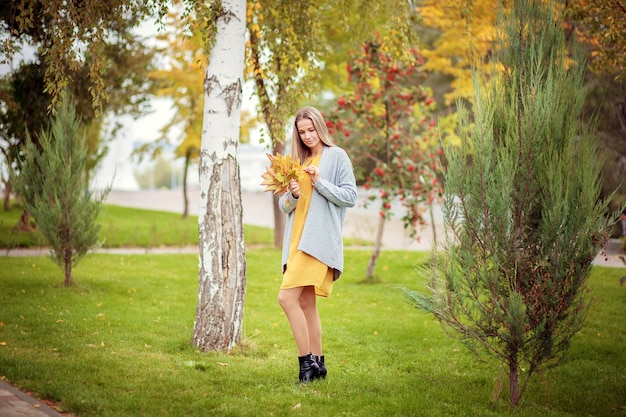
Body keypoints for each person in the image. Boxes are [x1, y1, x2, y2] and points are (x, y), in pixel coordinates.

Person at [278, 106, 358, 383]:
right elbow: (283, 206)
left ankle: (306, 366)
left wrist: (319, 182)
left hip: (316, 241)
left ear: (320, 127)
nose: (308, 136)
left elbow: (350, 196)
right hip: (296, 240)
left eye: (311, 130)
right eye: (302, 132)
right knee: (305, 302)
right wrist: (294, 194)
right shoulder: (297, 161)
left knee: (286, 298)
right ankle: (319, 364)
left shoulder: (336, 157)